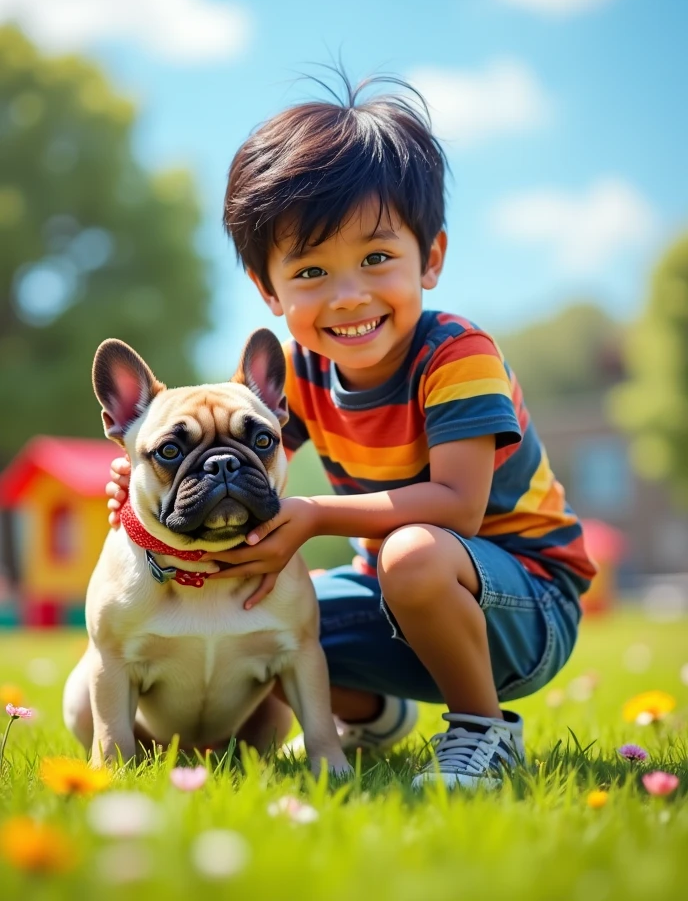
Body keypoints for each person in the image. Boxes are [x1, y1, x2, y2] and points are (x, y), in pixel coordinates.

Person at [105, 75, 595, 790]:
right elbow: (244, 461)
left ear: (430, 258)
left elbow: (456, 507)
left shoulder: (457, 355)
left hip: (526, 602)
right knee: (257, 620)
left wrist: (311, 516)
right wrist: (148, 477)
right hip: (396, 596)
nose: (348, 295)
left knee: (412, 556)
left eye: (375, 258)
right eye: (310, 270)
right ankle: (373, 718)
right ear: (269, 291)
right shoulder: (302, 372)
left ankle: (484, 736)